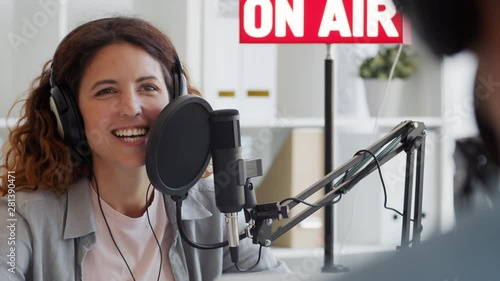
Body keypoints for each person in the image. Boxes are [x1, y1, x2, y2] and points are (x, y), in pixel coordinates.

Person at [0, 16, 288, 281]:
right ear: (69, 115)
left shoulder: (218, 208)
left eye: (148, 87)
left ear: (176, 100)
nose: (131, 108)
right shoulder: (21, 218)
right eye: (106, 91)